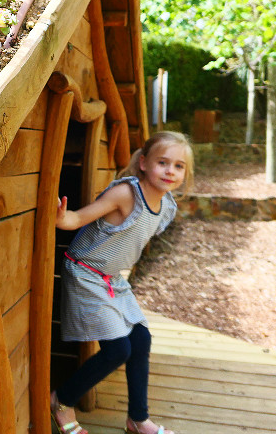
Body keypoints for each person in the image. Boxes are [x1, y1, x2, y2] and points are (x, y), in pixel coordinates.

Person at [50, 131, 194, 434]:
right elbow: (78, 219)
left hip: (112, 280)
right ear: (143, 163)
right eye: (162, 162)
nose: (170, 171)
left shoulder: (166, 206)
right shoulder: (126, 194)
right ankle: (61, 401)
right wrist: (63, 219)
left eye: (179, 166)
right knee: (118, 350)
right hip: (86, 273)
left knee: (141, 340)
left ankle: (138, 420)